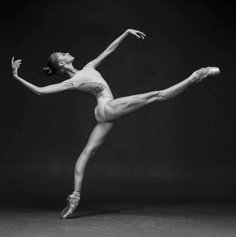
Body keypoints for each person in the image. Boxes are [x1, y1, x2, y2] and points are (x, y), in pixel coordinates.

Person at [11, 29, 220, 219]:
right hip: (107, 108)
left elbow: (109, 50)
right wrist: (16, 77)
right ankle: (196, 76)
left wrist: (126, 32)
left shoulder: (88, 67)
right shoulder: (73, 81)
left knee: (86, 153)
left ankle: (74, 197)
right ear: (63, 64)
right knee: (155, 96)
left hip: (101, 112)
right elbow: (40, 91)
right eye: (63, 55)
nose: (66, 53)